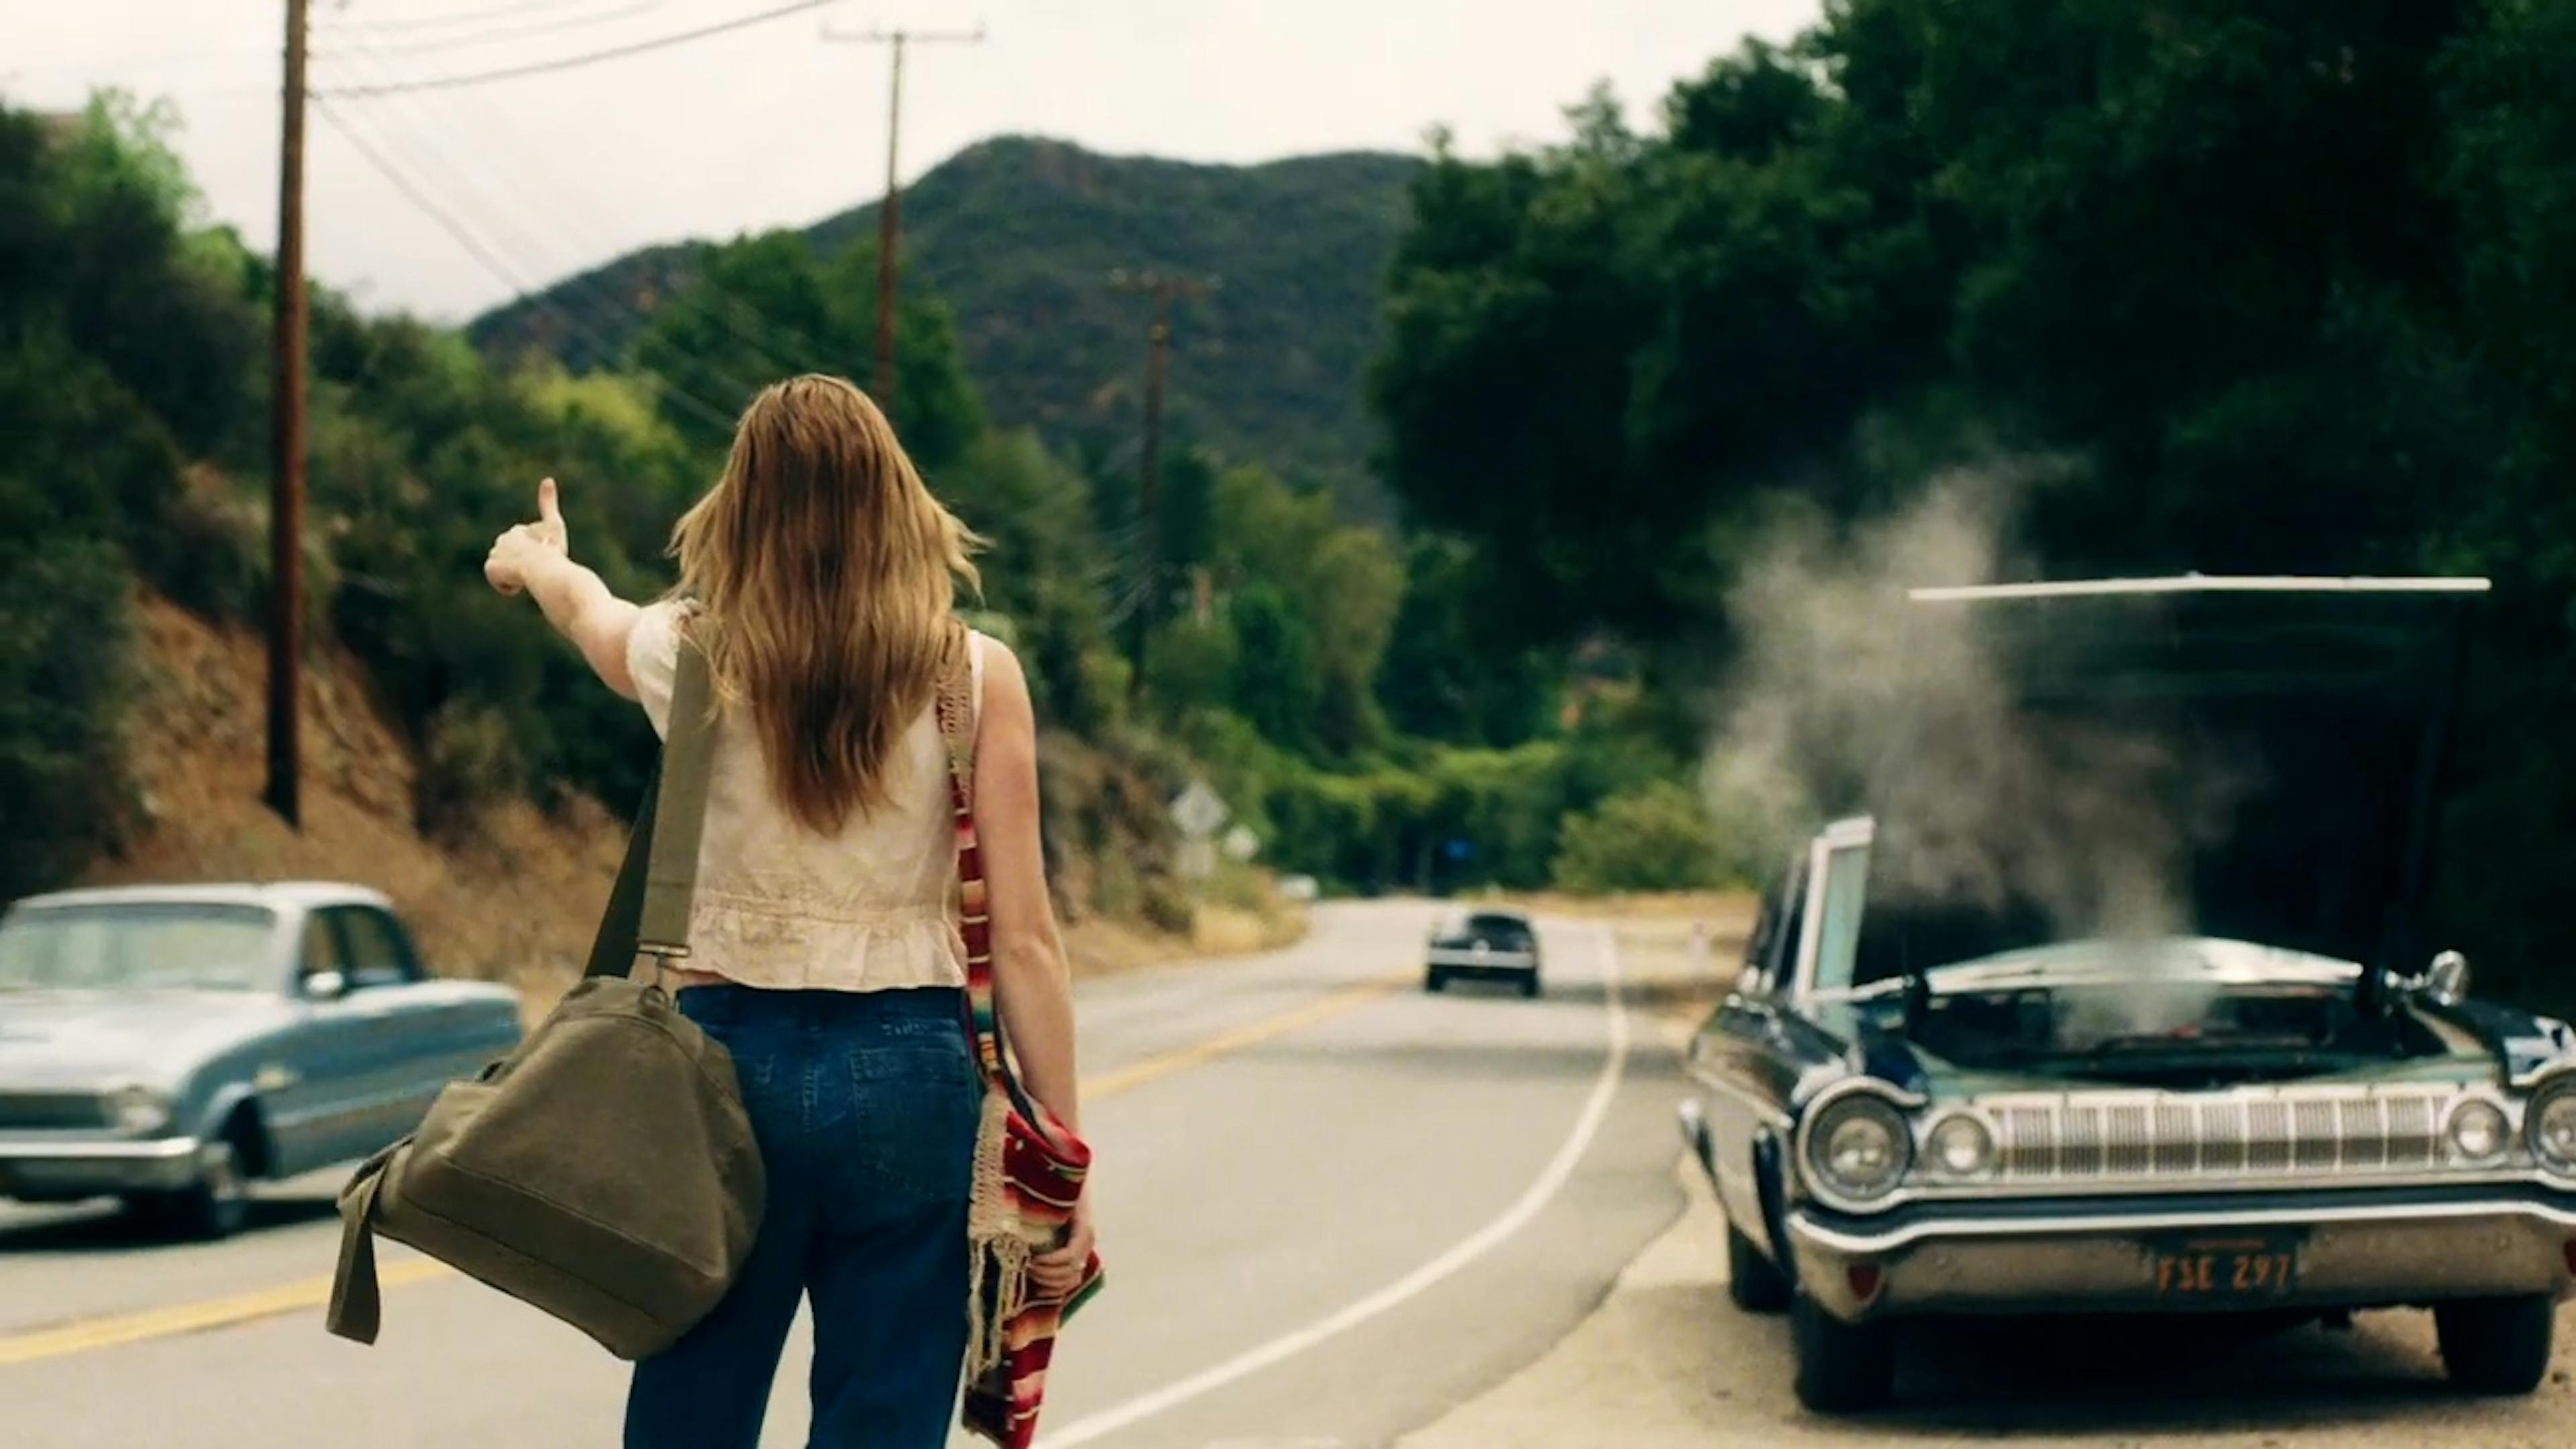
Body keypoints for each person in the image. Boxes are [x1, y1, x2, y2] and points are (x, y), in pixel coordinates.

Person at [480, 374, 1095, 1448]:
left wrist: (540, 562)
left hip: (722, 1075)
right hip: (913, 1078)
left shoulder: (691, 656)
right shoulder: (976, 676)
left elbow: (595, 616)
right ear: (898, 504)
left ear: (742, 509)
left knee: (692, 1416)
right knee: (884, 1421)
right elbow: (1029, 942)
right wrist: (1062, 1158)